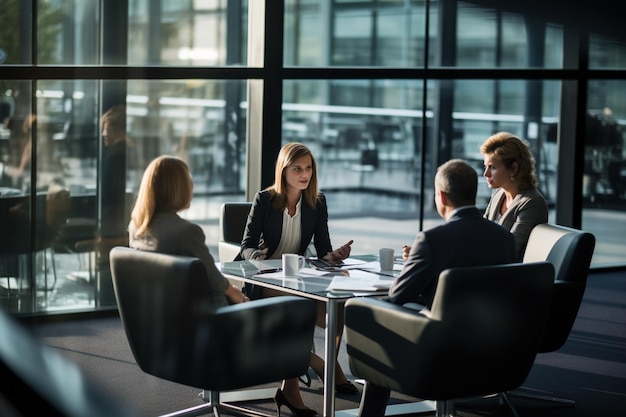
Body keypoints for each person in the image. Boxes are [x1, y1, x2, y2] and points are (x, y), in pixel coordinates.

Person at [359, 159, 516, 417]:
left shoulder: (432, 240)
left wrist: (417, 266)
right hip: (496, 350)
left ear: (441, 195)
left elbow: (398, 295)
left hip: (442, 352)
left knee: (378, 311)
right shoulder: (505, 238)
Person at [240, 142, 354, 416]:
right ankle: (319, 366)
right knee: (297, 311)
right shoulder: (264, 199)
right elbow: (245, 245)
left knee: (338, 308)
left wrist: (334, 256)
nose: (305, 174)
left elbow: (323, 248)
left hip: (299, 280)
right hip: (266, 281)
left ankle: (306, 378)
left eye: (309, 168)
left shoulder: (317, 201)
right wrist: (258, 255)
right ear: (284, 170)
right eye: (298, 168)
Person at [128, 155, 248, 307]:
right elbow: (211, 275)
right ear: (178, 189)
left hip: (158, 313)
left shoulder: (136, 228)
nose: (192, 186)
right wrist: (234, 292)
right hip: (204, 317)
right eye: (188, 182)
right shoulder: (187, 232)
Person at [481, 132, 549, 261]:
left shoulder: (532, 203)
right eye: (485, 167)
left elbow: (510, 249)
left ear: (513, 168)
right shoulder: (498, 194)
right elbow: (482, 233)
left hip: (512, 274)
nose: (486, 173)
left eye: (492, 167)